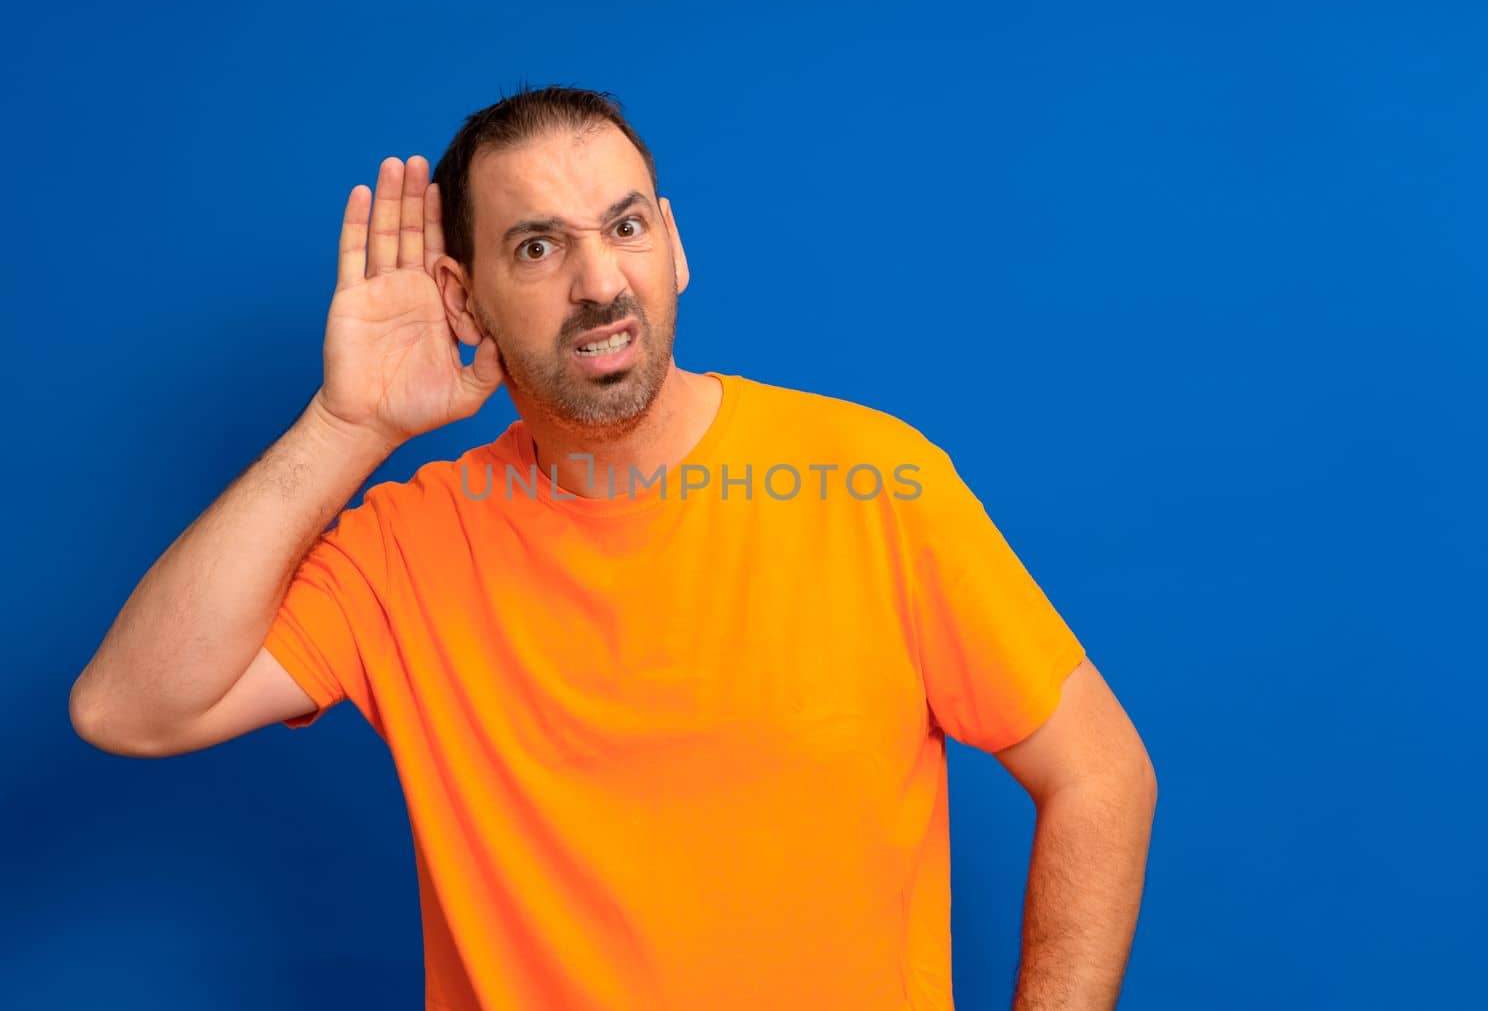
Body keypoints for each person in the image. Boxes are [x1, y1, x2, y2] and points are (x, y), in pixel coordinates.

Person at [70, 83, 1157, 1010]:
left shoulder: (871, 480)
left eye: (625, 226)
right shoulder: (409, 547)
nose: (599, 282)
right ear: (466, 299)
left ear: (674, 246)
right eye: (537, 247)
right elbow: (131, 707)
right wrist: (348, 429)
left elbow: (1100, 772)